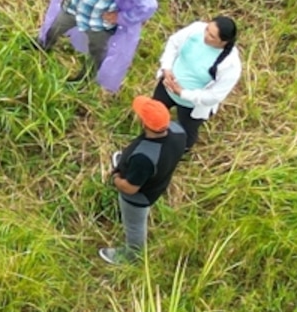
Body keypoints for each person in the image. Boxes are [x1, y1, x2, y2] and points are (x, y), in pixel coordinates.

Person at [102, 14, 240, 262]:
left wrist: (184, 93)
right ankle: (160, 161)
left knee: (135, 222)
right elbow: (174, 43)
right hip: (168, 89)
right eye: (207, 30)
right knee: (176, 143)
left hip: (190, 103)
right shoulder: (174, 132)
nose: (204, 35)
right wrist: (167, 71)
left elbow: (213, 96)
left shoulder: (230, 65)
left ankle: (132, 256)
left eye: (211, 36)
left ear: (224, 42)